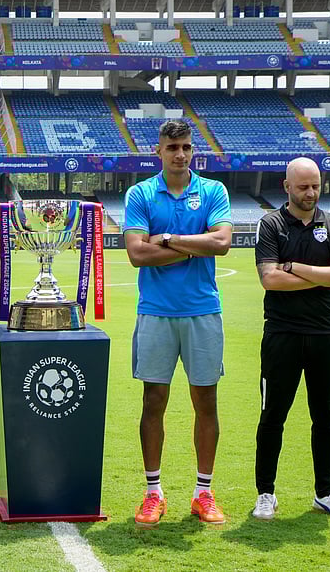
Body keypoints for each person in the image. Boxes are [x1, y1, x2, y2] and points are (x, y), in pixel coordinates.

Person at [123, 119, 233, 527]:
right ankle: (153, 493)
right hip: (156, 311)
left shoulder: (212, 190)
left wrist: (166, 240)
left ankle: (203, 492)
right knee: (154, 401)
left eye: (186, 146)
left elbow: (222, 243)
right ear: (160, 150)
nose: (180, 154)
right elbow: (137, 253)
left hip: (202, 310)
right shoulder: (141, 193)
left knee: (206, 401)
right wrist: (194, 247)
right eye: (172, 147)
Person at [251, 156, 330, 520]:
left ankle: (325, 493)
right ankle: (266, 493)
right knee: (272, 416)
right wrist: (321, 274)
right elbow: (270, 280)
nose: (311, 193)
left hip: (327, 334)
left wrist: (294, 266)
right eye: (303, 187)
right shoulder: (271, 224)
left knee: (325, 418)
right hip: (282, 334)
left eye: (316, 186)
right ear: (287, 187)